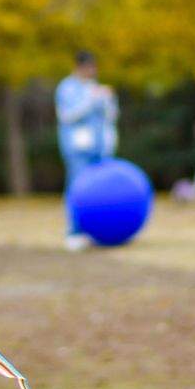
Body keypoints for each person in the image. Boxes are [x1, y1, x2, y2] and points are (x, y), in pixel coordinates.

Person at [55, 51, 119, 251]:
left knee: (98, 190)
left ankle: (95, 231)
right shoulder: (66, 87)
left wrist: (108, 100)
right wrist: (90, 100)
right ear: (79, 67)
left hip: (99, 147)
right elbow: (67, 116)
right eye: (89, 67)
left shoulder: (96, 87)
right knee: (77, 187)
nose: (92, 71)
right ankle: (74, 231)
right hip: (77, 147)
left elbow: (111, 116)